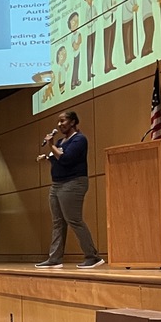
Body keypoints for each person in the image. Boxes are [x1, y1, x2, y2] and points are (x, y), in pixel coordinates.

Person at [35, 111, 104, 269]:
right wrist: (46, 157)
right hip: (57, 184)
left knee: (74, 220)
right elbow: (56, 158)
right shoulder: (61, 141)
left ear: (73, 122)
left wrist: (51, 144)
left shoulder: (79, 139)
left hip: (73, 183)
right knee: (58, 222)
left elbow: (66, 159)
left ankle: (92, 256)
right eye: (58, 122)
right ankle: (55, 258)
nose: (59, 125)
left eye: (63, 121)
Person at [121, 0, 139, 66]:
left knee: (131, 34)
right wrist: (132, 7)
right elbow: (127, 2)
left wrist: (135, 5)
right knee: (126, 35)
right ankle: (127, 56)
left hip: (131, 14)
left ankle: (131, 53)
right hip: (126, 15)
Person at [101, 0, 117, 74]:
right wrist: (111, 8)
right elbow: (105, 14)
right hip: (107, 25)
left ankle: (110, 63)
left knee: (112, 44)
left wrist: (112, 8)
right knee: (107, 46)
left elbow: (115, 6)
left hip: (113, 22)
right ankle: (106, 66)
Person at [82, 0, 97, 81]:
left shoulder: (93, 6)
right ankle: (87, 73)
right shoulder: (86, 8)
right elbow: (87, 22)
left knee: (92, 53)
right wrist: (93, 21)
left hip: (94, 31)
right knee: (88, 54)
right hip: (88, 34)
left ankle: (90, 71)